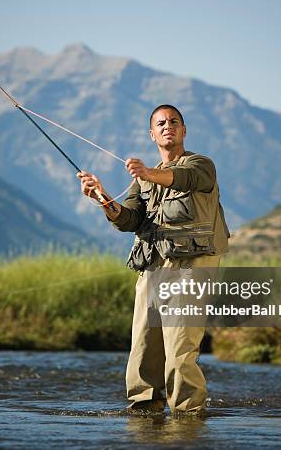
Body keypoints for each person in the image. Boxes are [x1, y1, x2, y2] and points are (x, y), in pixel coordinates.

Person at [77, 104, 230, 414]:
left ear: (184, 131)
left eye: (174, 122)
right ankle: (145, 409)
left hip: (192, 269)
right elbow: (128, 220)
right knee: (143, 348)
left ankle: (187, 415)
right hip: (152, 268)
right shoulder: (142, 181)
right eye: (161, 123)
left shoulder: (202, 165)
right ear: (152, 134)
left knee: (179, 350)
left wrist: (149, 173)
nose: (167, 126)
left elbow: (183, 179)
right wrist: (103, 199)